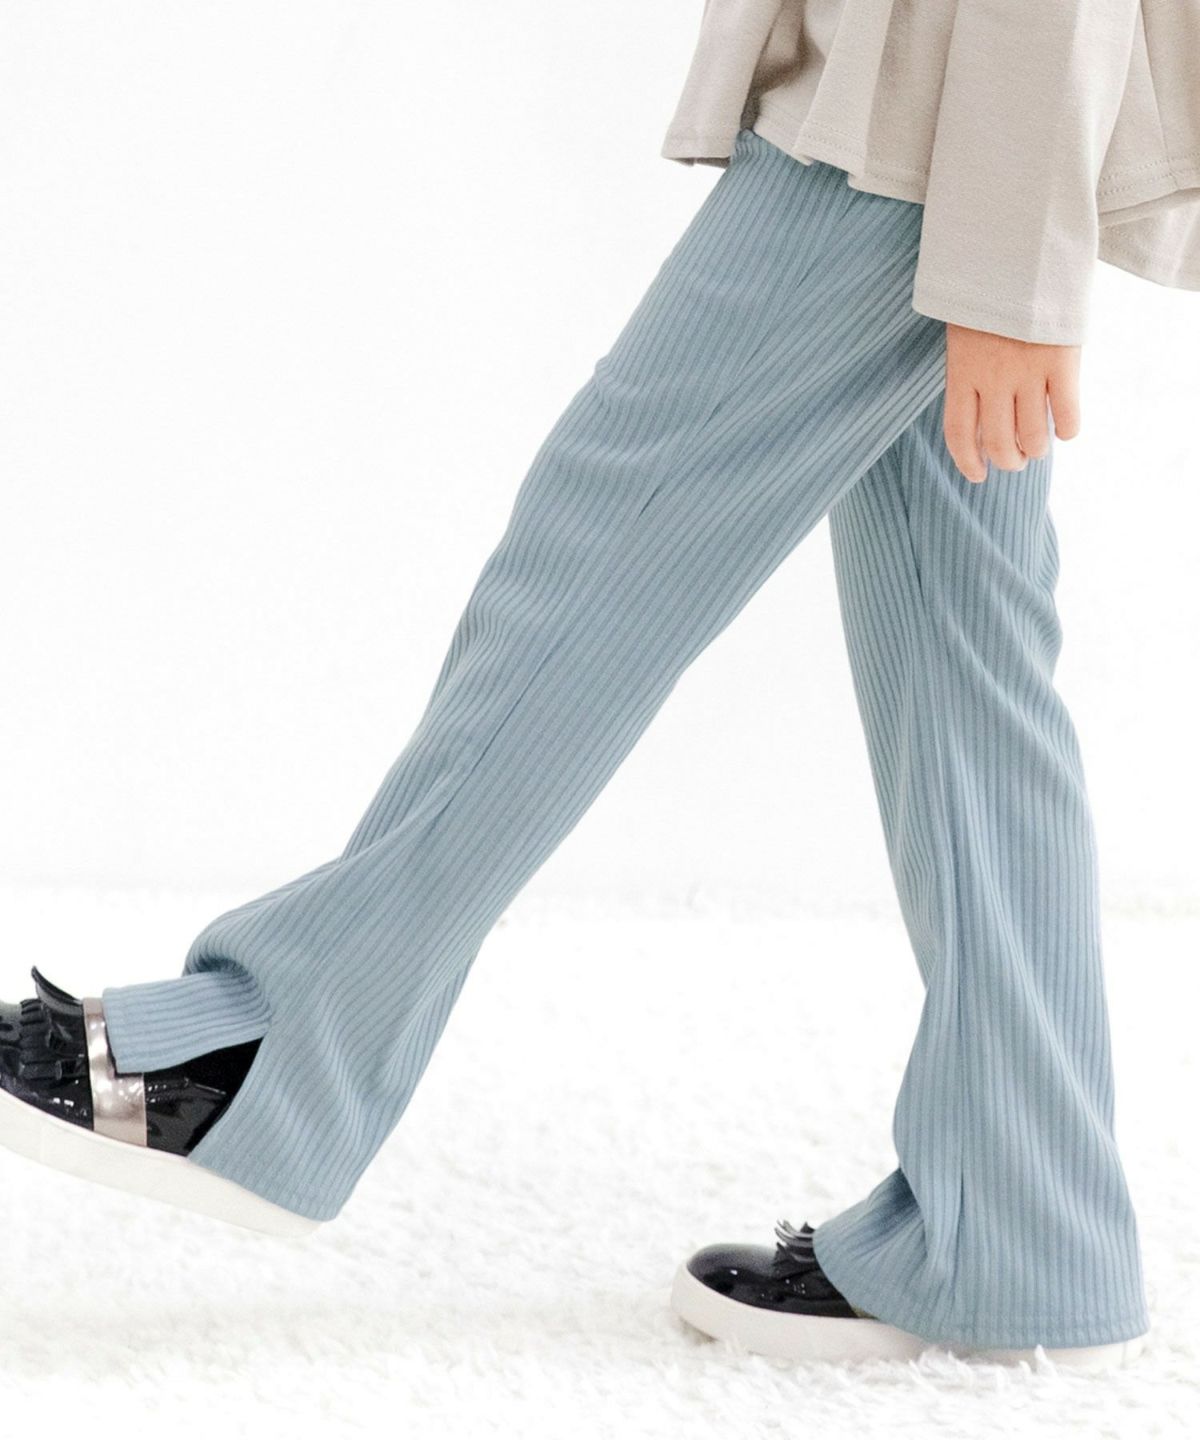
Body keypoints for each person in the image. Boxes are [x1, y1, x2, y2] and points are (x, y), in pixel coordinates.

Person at [1, 0, 1195, 1370]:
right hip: (954, 101)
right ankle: (1024, 1215)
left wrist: (1008, 259)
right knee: (960, 640)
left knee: (616, 524)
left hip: (938, 91)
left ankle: (287, 1038)